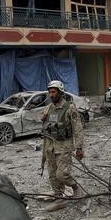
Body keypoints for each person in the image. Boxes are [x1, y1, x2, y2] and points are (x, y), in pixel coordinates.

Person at [41, 80, 84, 210]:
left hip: (64, 145)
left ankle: (76, 187)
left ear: (60, 93)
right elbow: (46, 128)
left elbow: (77, 128)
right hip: (50, 146)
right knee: (53, 175)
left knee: (62, 174)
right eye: (50, 92)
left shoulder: (69, 108)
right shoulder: (49, 108)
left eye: (53, 92)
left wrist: (79, 148)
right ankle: (60, 198)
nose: (51, 95)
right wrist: (43, 120)